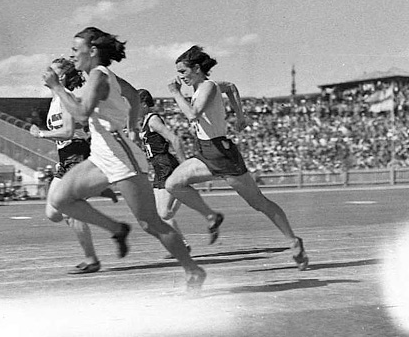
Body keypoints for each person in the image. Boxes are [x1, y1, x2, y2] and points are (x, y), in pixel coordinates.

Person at [45, 27, 206, 291]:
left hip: (120, 155)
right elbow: (132, 95)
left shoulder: (98, 75)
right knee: (60, 199)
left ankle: (193, 270)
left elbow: (82, 114)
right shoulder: (98, 76)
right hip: (100, 154)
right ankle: (117, 229)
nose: (72, 55)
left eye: (76, 50)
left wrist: (56, 87)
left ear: (92, 51)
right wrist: (131, 124)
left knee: (150, 222)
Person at [164, 45, 309, 270]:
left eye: (183, 72)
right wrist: (239, 115)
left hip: (222, 154)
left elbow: (193, 113)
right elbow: (231, 87)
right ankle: (211, 216)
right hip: (204, 152)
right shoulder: (198, 87)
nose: (179, 77)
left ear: (196, 68)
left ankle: (294, 241)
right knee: (173, 184)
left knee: (259, 203)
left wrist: (175, 93)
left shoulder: (209, 86)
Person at [30, 57, 116, 275]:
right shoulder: (55, 101)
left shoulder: (65, 97)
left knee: (69, 211)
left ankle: (91, 259)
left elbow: (68, 132)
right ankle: (97, 192)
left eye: (52, 70)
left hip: (77, 155)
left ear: (62, 76)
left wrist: (40, 133)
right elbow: (64, 136)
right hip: (65, 158)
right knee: (53, 213)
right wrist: (47, 135)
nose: (46, 72)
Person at [138, 88, 224, 258]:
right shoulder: (143, 122)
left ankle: (187, 240)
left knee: (163, 213)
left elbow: (175, 139)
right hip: (158, 169)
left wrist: (184, 166)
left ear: (143, 104)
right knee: (161, 213)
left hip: (166, 166)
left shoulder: (153, 120)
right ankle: (189, 237)